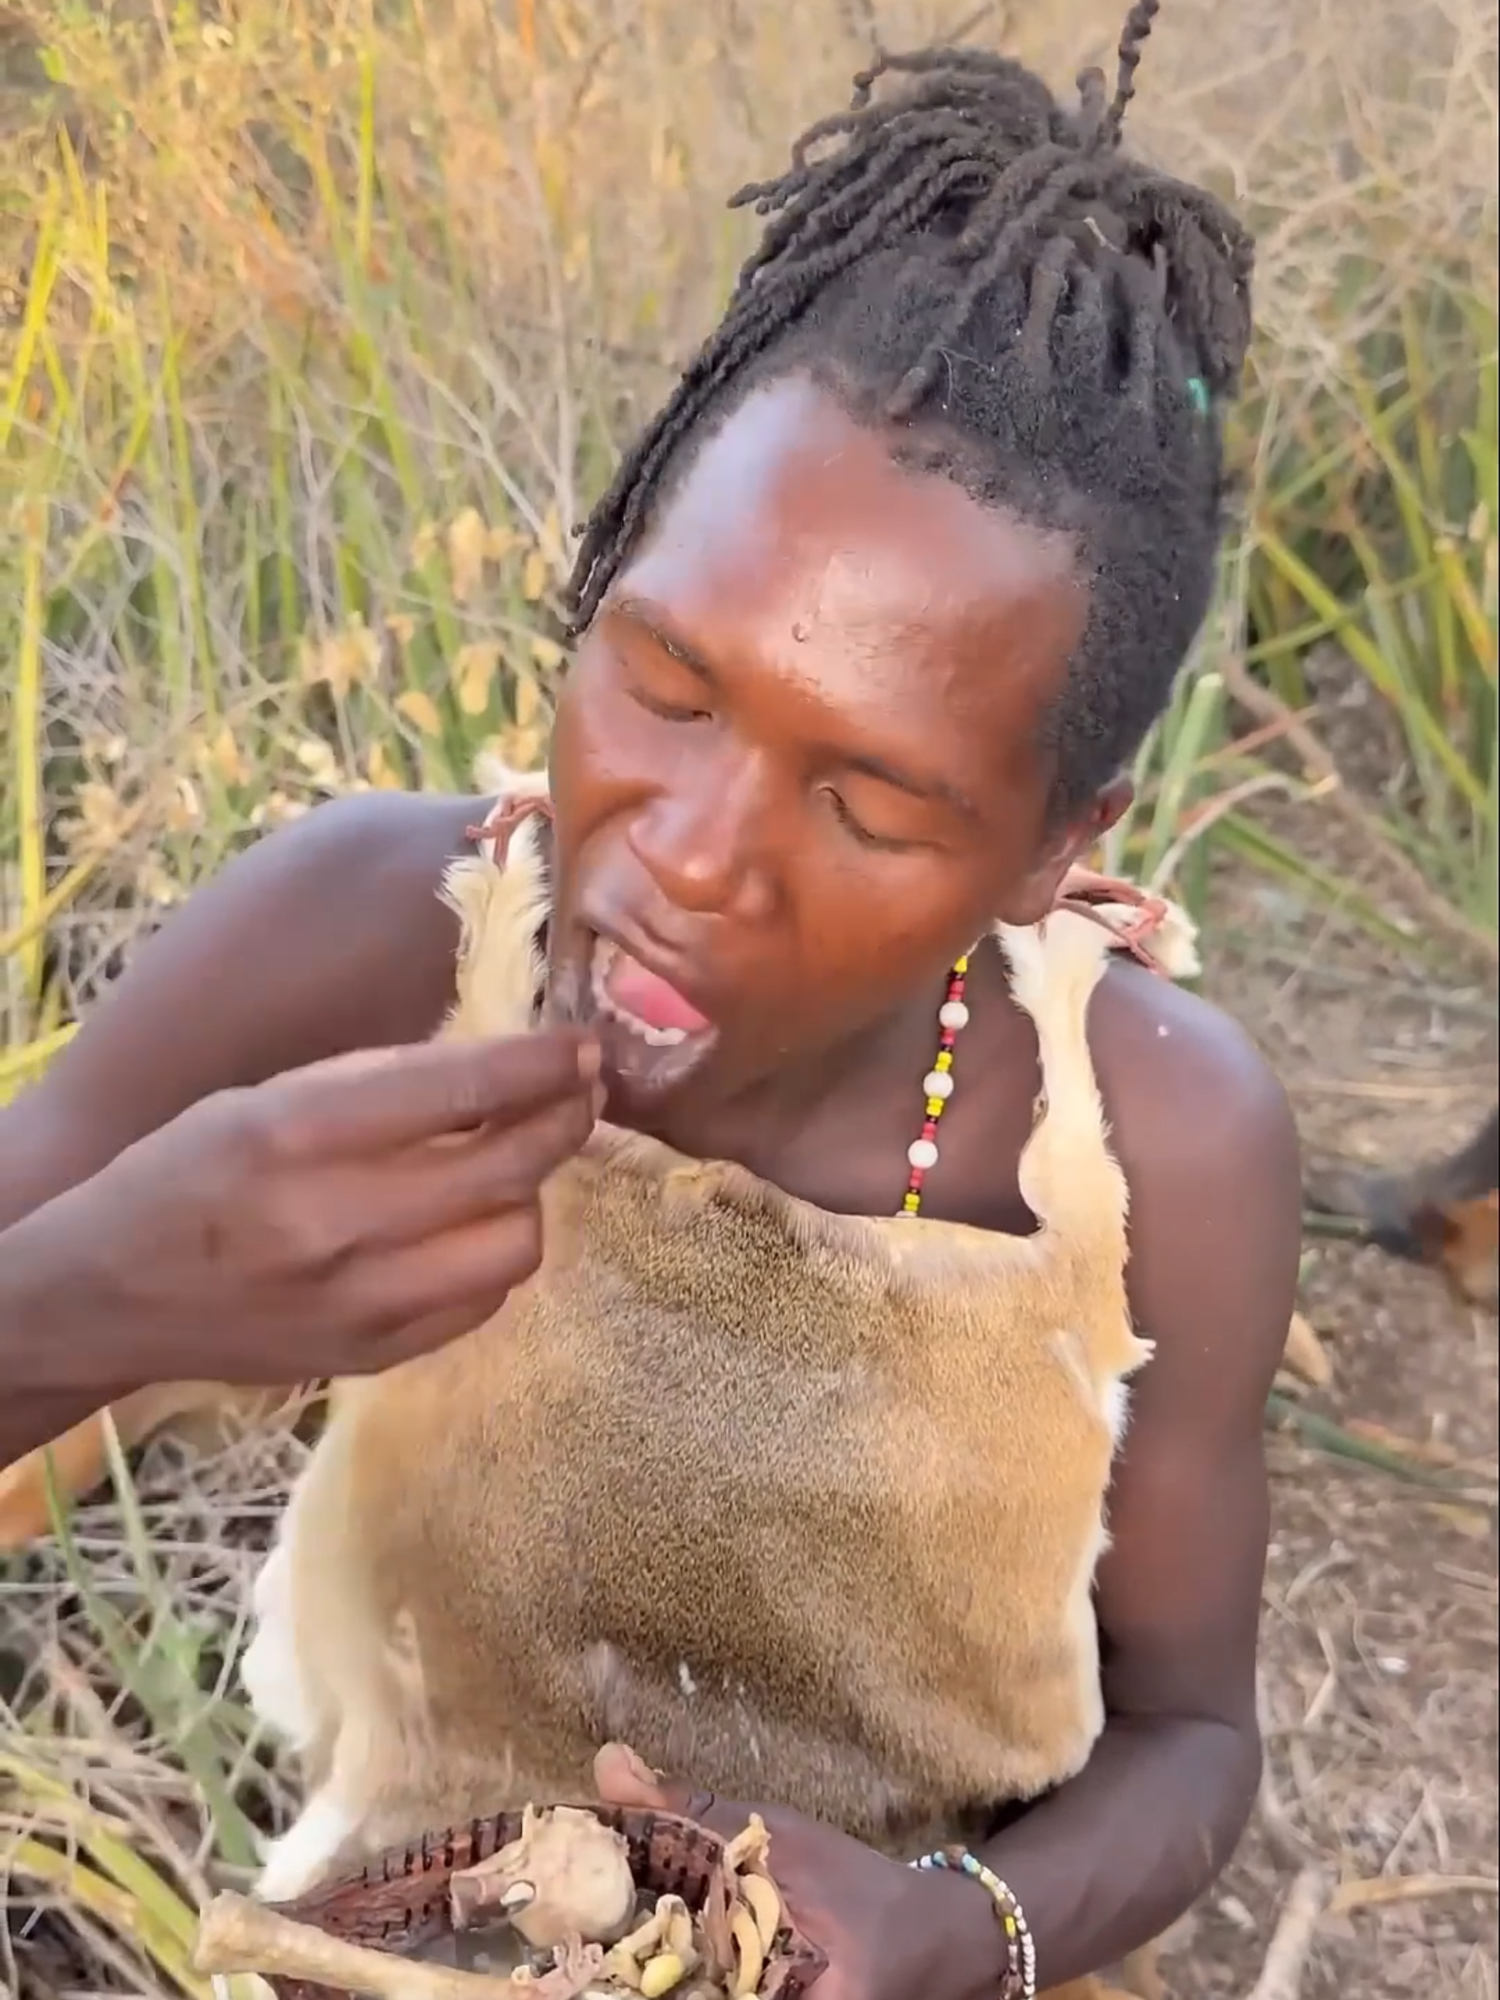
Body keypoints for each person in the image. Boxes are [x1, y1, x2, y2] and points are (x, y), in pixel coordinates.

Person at [0, 8, 1302, 1996]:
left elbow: (1197, 1741)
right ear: (601, 580)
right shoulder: (379, 933)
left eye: (867, 799)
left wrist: (963, 1933)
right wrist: (98, 1292)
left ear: (1057, 844)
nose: (687, 855)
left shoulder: (1152, 1151)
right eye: (665, 688)